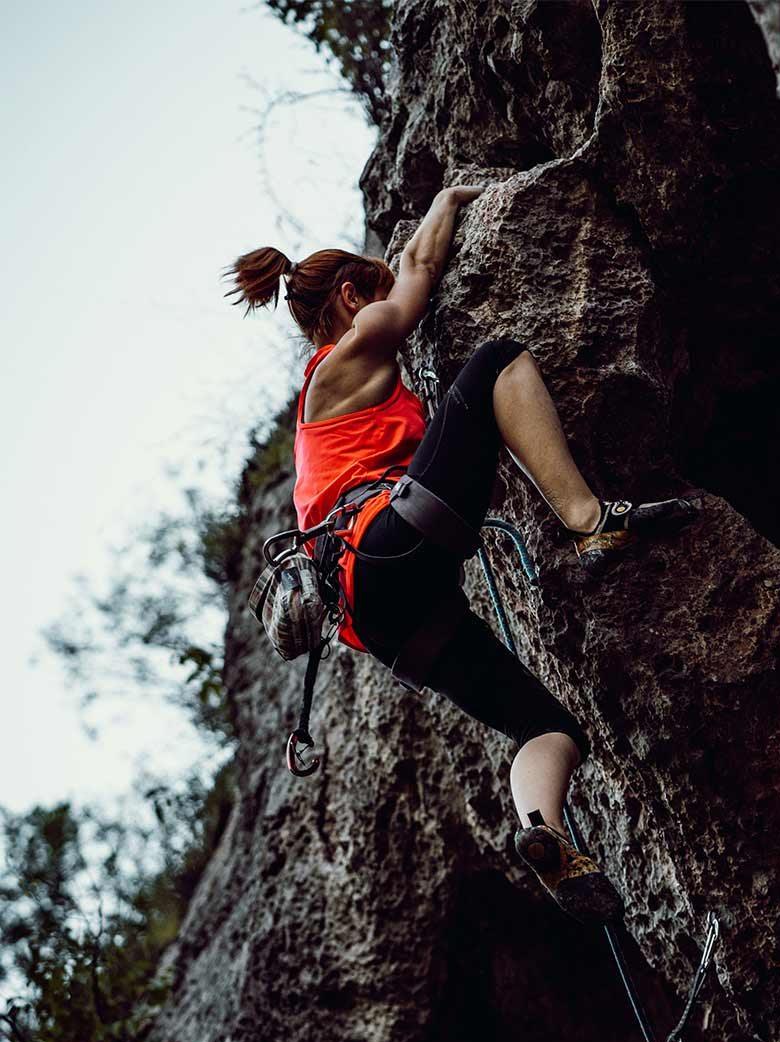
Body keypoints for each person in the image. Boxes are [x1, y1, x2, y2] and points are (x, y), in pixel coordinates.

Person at [224, 185, 697, 925]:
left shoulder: (322, 415)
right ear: (351, 298)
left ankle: (543, 832)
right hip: (386, 546)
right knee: (498, 362)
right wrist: (449, 198)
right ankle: (587, 519)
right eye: (368, 291)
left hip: (385, 623)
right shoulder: (354, 346)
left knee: (548, 730)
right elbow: (416, 269)